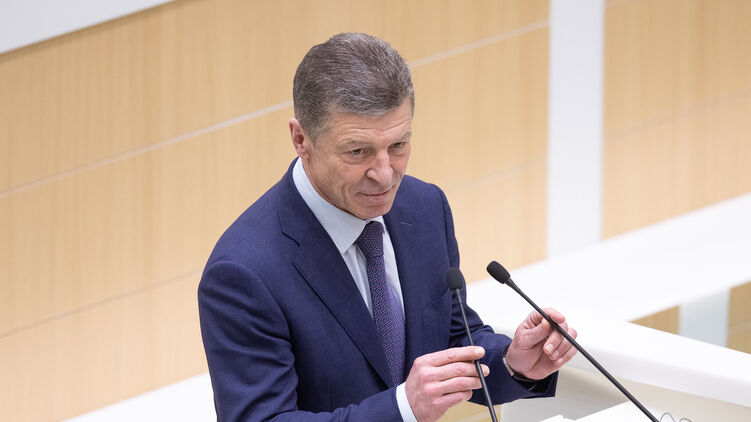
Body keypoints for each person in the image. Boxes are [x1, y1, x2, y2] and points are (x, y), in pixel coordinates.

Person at [198, 32, 577, 422]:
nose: (384, 175)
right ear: (300, 139)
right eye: (357, 151)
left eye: (398, 146)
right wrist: (402, 408)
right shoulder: (243, 274)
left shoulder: (425, 207)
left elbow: (451, 337)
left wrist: (513, 363)